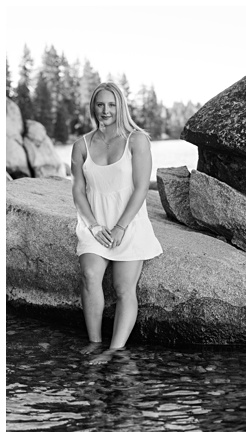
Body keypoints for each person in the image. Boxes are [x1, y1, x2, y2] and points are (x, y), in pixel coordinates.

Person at [71, 82, 163, 365]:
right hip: (95, 224)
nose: (106, 110)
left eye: (112, 105)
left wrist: (121, 227)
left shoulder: (137, 140)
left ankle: (115, 350)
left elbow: (140, 188)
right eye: (100, 104)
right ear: (93, 107)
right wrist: (94, 226)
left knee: (124, 288)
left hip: (130, 223)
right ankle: (95, 342)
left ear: (121, 107)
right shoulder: (81, 145)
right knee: (89, 274)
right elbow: (78, 190)